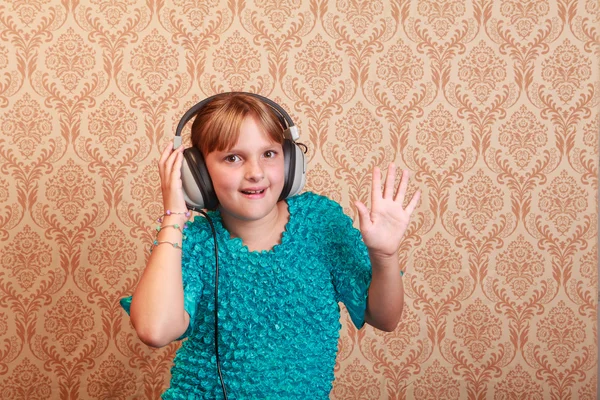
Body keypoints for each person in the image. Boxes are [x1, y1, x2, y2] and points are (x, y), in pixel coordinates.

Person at [120, 93, 421, 399]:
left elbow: (385, 318)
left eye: (269, 154)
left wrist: (384, 256)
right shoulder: (193, 243)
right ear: (198, 174)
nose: (255, 172)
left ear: (290, 161)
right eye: (233, 158)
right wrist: (174, 215)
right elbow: (154, 331)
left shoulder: (320, 223)